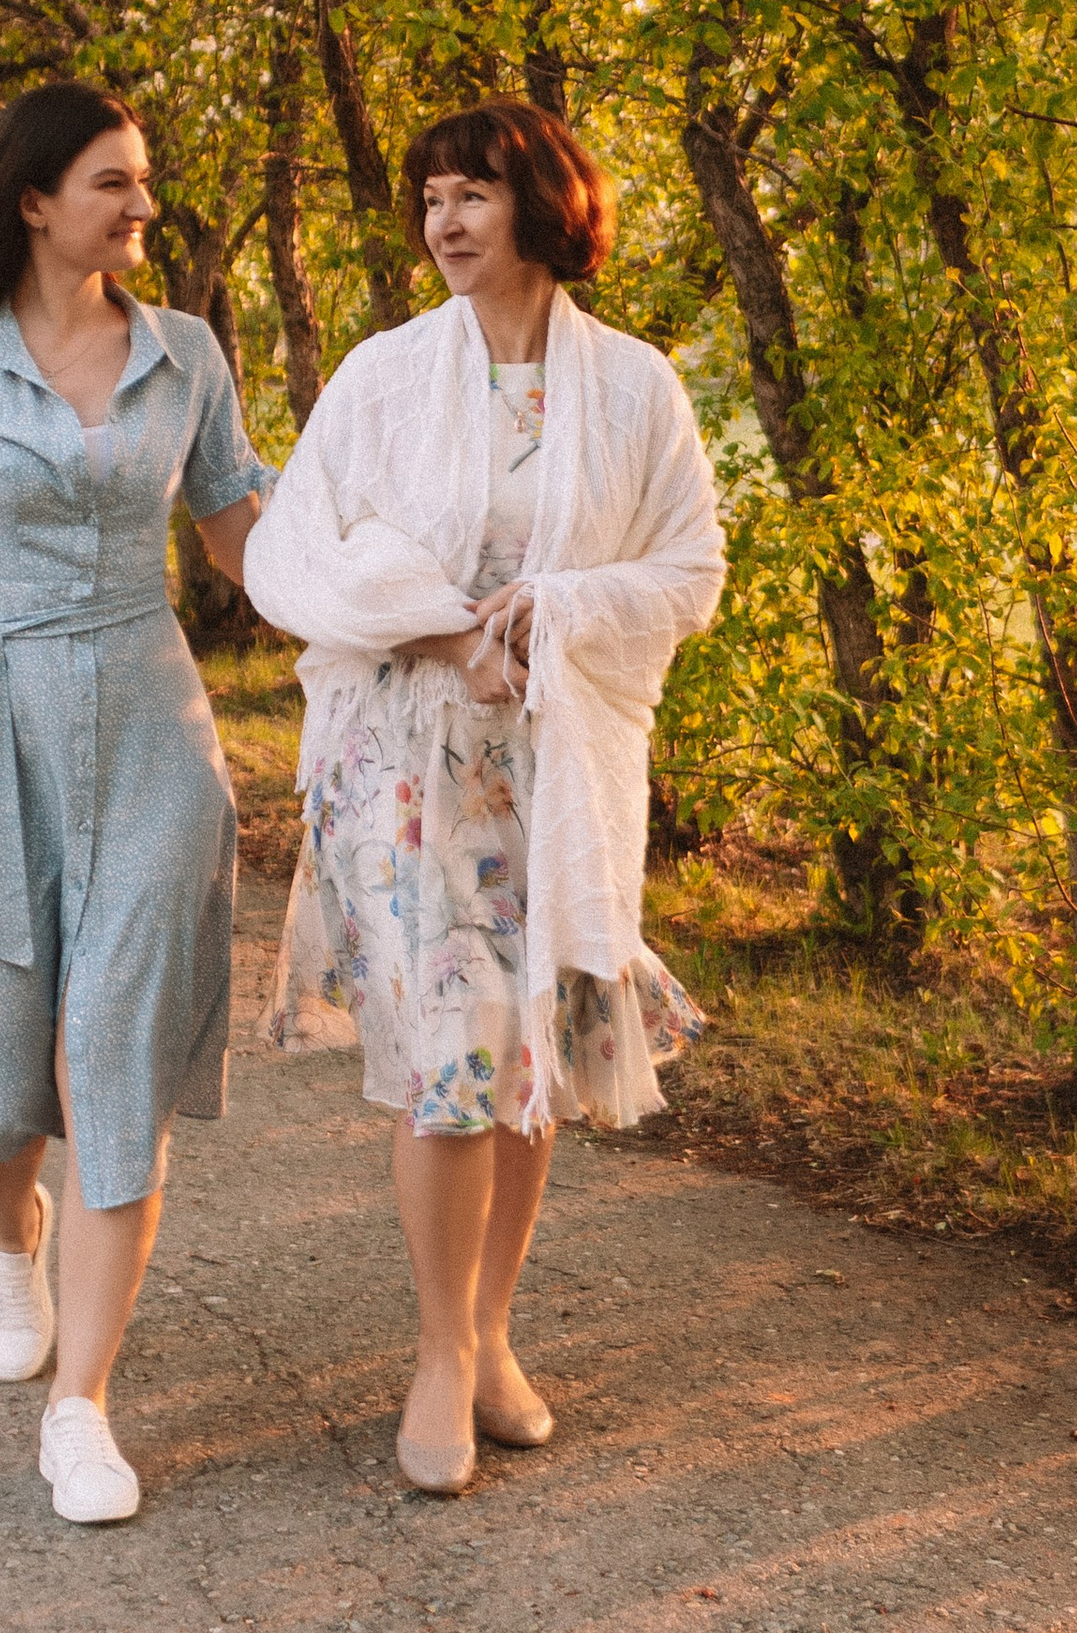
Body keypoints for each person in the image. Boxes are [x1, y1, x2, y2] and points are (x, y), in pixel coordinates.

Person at [244, 98, 724, 1494]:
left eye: (474, 194)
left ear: (543, 204)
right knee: (454, 1067)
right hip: (407, 765)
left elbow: (690, 574)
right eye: (432, 199)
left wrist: (549, 611)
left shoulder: (634, 386)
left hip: (557, 767)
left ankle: (494, 1336)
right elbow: (290, 556)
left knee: (527, 1069)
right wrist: (446, 630)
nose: (447, 223)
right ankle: (440, 1356)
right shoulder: (386, 377)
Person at [0, 84, 270, 1526]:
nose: (142, 207)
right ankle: (7, 1238)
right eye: (111, 183)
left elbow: (241, 541)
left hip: (154, 725)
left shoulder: (186, 353)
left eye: (143, 183)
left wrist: (398, 633)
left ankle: (81, 1406)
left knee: (118, 1052)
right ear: (33, 201)